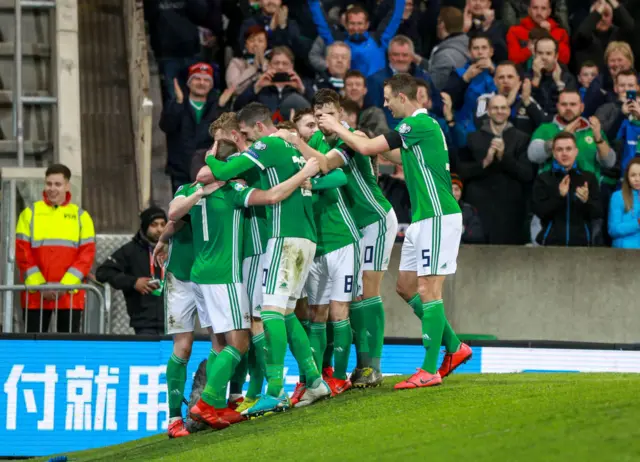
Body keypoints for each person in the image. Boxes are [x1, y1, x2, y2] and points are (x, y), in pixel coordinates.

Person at [317, 73, 472, 390]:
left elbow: (366, 145)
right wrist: (362, 142)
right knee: (405, 286)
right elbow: (394, 155)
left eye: (388, 98)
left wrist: (338, 128)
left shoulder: (417, 124)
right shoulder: (419, 132)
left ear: (404, 97)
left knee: (429, 289)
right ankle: (455, 347)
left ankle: (429, 369)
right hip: (422, 219)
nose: (385, 104)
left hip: (438, 217)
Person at [169, 153, 322, 430]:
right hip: (224, 275)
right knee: (240, 342)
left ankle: (213, 406)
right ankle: (206, 403)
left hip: (200, 275)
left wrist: (198, 194)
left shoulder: (187, 191)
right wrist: (303, 175)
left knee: (220, 343)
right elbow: (273, 195)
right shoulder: (232, 191)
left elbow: (172, 217)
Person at [199, 102, 331, 416]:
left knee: (269, 311)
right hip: (305, 236)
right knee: (285, 312)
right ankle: (314, 380)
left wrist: (211, 154)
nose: (245, 140)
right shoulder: (290, 148)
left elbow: (222, 170)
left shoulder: (269, 144)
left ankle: (275, 390)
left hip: (285, 237)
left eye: (245, 133)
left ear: (258, 127)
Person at [275, 88, 399, 388]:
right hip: (351, 228)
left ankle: (373, 365)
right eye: (318, 115)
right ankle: (357, 365)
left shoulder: (350, 136)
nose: (323, 120)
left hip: (375, 219)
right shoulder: (316, 141)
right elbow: (315, 162)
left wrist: (299, 151)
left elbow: (328, 167)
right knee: (353, 297)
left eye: (329, 114)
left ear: (340, 114)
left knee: (367, 293)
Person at [15, 164, 96, 333]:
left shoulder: (81, 217)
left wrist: (63, 286)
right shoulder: (30, 213)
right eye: (49, 184)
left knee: (66, 349)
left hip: (70, 296)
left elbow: (86, 256)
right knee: (34, 347)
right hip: (37, 295)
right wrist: (42, 286)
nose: (52, 189)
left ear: (67, 186)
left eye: (57, 184)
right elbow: (23, 254)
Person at [458, 95, 535, 245]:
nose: (499, 111)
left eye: (503, 108)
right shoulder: (472, 138)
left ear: (509, 111)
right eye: (495, 108)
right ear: (488, 111)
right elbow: (461, 171)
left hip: (510, 211)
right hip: (479, 208)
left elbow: (527, 174)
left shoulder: (522, 138)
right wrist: (485, 163)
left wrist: (503, 157)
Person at [96, 207, 167, 335]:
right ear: (145, 227)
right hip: (145, 322)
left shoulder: (175, 249)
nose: (159, 229)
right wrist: (133, 282)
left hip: (175, 321)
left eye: (163, 224)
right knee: (147, 354)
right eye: (154, 225)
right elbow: (103, 272)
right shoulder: (130, 251)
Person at [160, 62, 222, 193]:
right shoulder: (176, 104)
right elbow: (166, 126)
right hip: (180, 172)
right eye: (197, 78)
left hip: (207, 172)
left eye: (206, 80)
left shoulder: (216, 108)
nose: (201, 83)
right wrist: (178, 103)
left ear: (211, 85)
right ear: (188, 82)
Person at [531, 132, 602, 246]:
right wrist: (559, 196)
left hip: (581, 245)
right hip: (551, 245)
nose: (564, 153)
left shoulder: (588, 178)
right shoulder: (543, 178)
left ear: (576, 152)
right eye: (559, 149)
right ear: (554, 153)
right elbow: (539, 211)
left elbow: (598, 212)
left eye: (568, 149)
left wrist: (586, 201)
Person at [528, 90, 616, 181]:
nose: (568, 108)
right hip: (551, 190)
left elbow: (609, 163)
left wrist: (599, 139)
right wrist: (562, 136)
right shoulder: (545, 128)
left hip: (587, 191)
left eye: (573, 104)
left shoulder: (593, 130)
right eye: (564, 104)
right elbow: (533, 156)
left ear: (582, 107)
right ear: (557, 106)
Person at [307, 1, 406, 77]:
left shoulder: (379, 39)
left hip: (377, 94)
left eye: (359, 24)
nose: (356, 28)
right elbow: (321, 21)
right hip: (348, 93)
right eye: (352, 23)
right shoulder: (337, 41)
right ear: (345, 24)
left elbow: (395, 16)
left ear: (367, 25)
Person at [367, 35, 442, 128]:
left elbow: (438, 107)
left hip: (422, 130)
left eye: (405, 55)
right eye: (396, 54)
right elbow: (374, 112)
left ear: (412, 57)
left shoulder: (425, 78)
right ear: (389, 56)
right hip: (389, 133)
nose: (400, 59)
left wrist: (430, 105)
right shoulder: (375, 80)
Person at [233, 46, 313, 120]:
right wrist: (256, 87)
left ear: (291, 66)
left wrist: (302, 89)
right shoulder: (259, 85)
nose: (280, 67)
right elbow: (237, 107)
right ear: (269, 65)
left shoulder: (302, 84)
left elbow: (318, 107)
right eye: (276, 63)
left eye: (285, 63)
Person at [474, 61, 546, 136]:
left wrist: (527, 103)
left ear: (518, 80)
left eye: (510, 77)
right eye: (501, 77)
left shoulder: (527, 100)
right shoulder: (485, 100)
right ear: (495, 81)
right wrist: (506, 103)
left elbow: (545, 126)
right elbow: (480, 124)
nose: (506, 81)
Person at [443, 34, 497, 134]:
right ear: (469, 52)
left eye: (484, 48)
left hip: (495, 128)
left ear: (491, 51)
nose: (480, 52)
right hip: (466, 130)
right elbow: (449, 103)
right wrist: (465, 79)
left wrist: (494, 73)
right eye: (476, 48)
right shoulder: (458, 73)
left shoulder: (502, 73)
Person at [572, 0, 634, 73]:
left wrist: (613, 2)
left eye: (606, 14)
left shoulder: (618, 34)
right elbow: (582, 34)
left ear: (612, 18)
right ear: (592, 17)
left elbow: (630, 27)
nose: (602, 18)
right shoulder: (585, 37)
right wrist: (598, 11)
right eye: (598, 15)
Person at [506, 0, 570, 65]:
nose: (539, 12)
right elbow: (513, 60)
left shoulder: (561, 32)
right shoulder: (514, 31)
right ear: (529, 10)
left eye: (543, 8)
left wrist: (547, 36)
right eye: (535, 8)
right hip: (524, 72)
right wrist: (529, 50)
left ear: (549, 12)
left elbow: (564, 60)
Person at [528, 37, 577, 115]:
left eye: (548, 53)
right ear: (534, 54)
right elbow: (527, 106)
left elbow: (567, 108)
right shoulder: (527, 76)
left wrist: (558, 83)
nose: (544, 57)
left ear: (556, 56)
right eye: (540, 53)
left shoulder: (568, 78)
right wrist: (536, 79)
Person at [427, 7, 470, 90]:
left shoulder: (444, 56)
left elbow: (433, 87)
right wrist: (418, 60)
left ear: (442, 24)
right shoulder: (468, 45)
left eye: (438, 22)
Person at [226, 25, 269, 97]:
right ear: (246, 44)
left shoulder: (273, 63)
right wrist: (253, 68)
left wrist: (262, 63)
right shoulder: (236, 62)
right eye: (252, 40)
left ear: (266, 45)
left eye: (260, 41)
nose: (256, 44)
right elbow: (233, 89)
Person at [344, 70, 389, 136]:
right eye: (349, 85)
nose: (354, 88)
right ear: (344, 90)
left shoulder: (375, 113)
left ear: (365, 90)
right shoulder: (337, 112)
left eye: (358, 84)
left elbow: (384, 138)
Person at [608, 158, 640, 248]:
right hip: (623, 255)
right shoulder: (618, 197)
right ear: (627, 177)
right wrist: (638, 223)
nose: (637, 179)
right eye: (633, 175)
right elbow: (613, 230)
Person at [450, 173, 486, 243]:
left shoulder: (469, 211)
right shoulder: (436, 211)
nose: (454, 193)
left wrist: (460, 232)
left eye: (457, 189)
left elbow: (477, 236)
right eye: (450, 190)